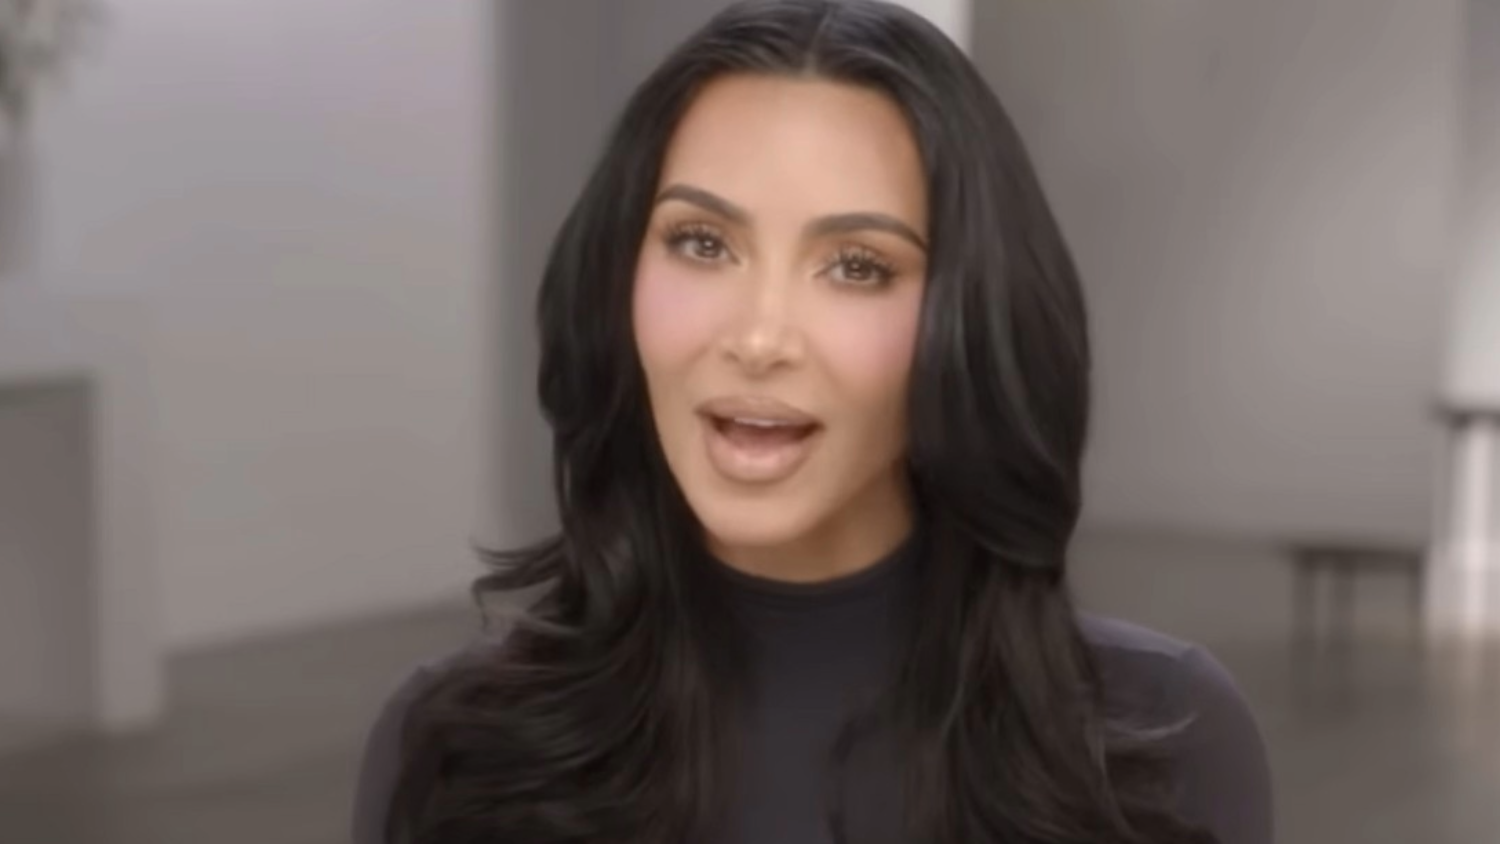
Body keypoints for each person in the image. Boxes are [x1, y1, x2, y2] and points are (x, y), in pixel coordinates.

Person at [352, 1, 1274, 843]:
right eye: (701, 243)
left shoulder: (1163, 748)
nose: (759, 338)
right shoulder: (456, 753)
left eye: (857, 266)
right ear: (617, 278)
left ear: (965, 319)